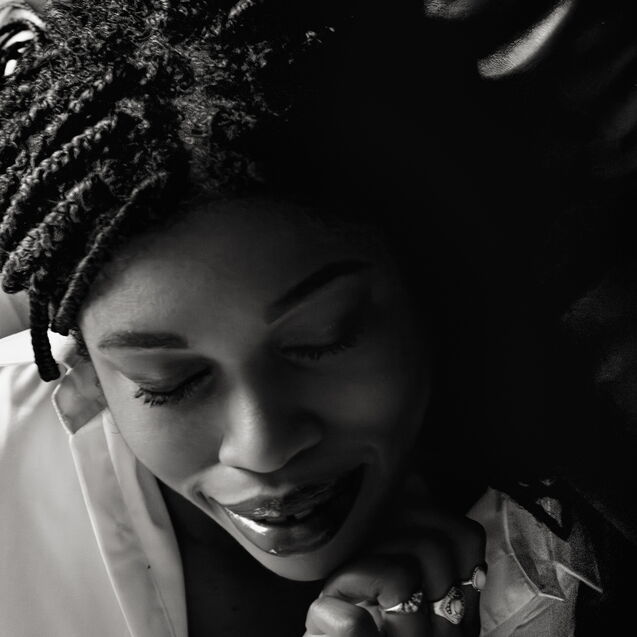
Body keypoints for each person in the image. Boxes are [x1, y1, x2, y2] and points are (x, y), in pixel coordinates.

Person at [0, 2, 600, 636]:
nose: (261, 448)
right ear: (89, 369)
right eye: (167, 383)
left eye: (322, 341)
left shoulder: (559, 529)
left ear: (426, 287)